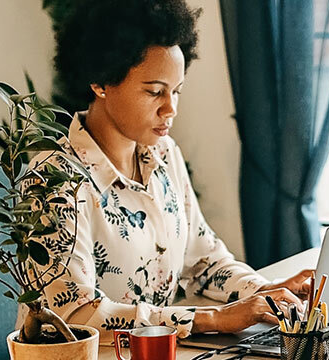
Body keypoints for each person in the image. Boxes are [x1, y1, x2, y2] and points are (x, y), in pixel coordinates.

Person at [29, 0, 314, 338]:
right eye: (155, 92)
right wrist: (212, 319)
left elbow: (206, 261)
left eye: (176, 91)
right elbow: (75, 314)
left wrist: (266, 292)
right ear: (100, 81)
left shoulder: (163, 154)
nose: (171, 108)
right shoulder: (52, 180)